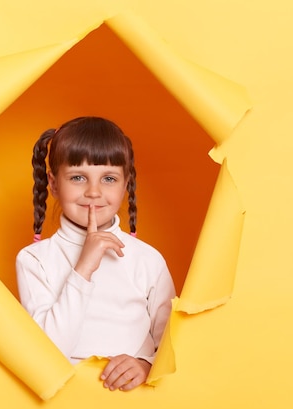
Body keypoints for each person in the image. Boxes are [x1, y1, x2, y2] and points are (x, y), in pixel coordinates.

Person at [16, 116, 175, 392]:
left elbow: (172, 345)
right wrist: (84, 268)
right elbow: (46, 353)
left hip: (135, 403)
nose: (93, 192)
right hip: (67, 402)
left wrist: (146, 363)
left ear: (125, 185)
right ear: (53, 184)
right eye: (78, 177)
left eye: (109, 179)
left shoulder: (148, 260)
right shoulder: (33, 260)